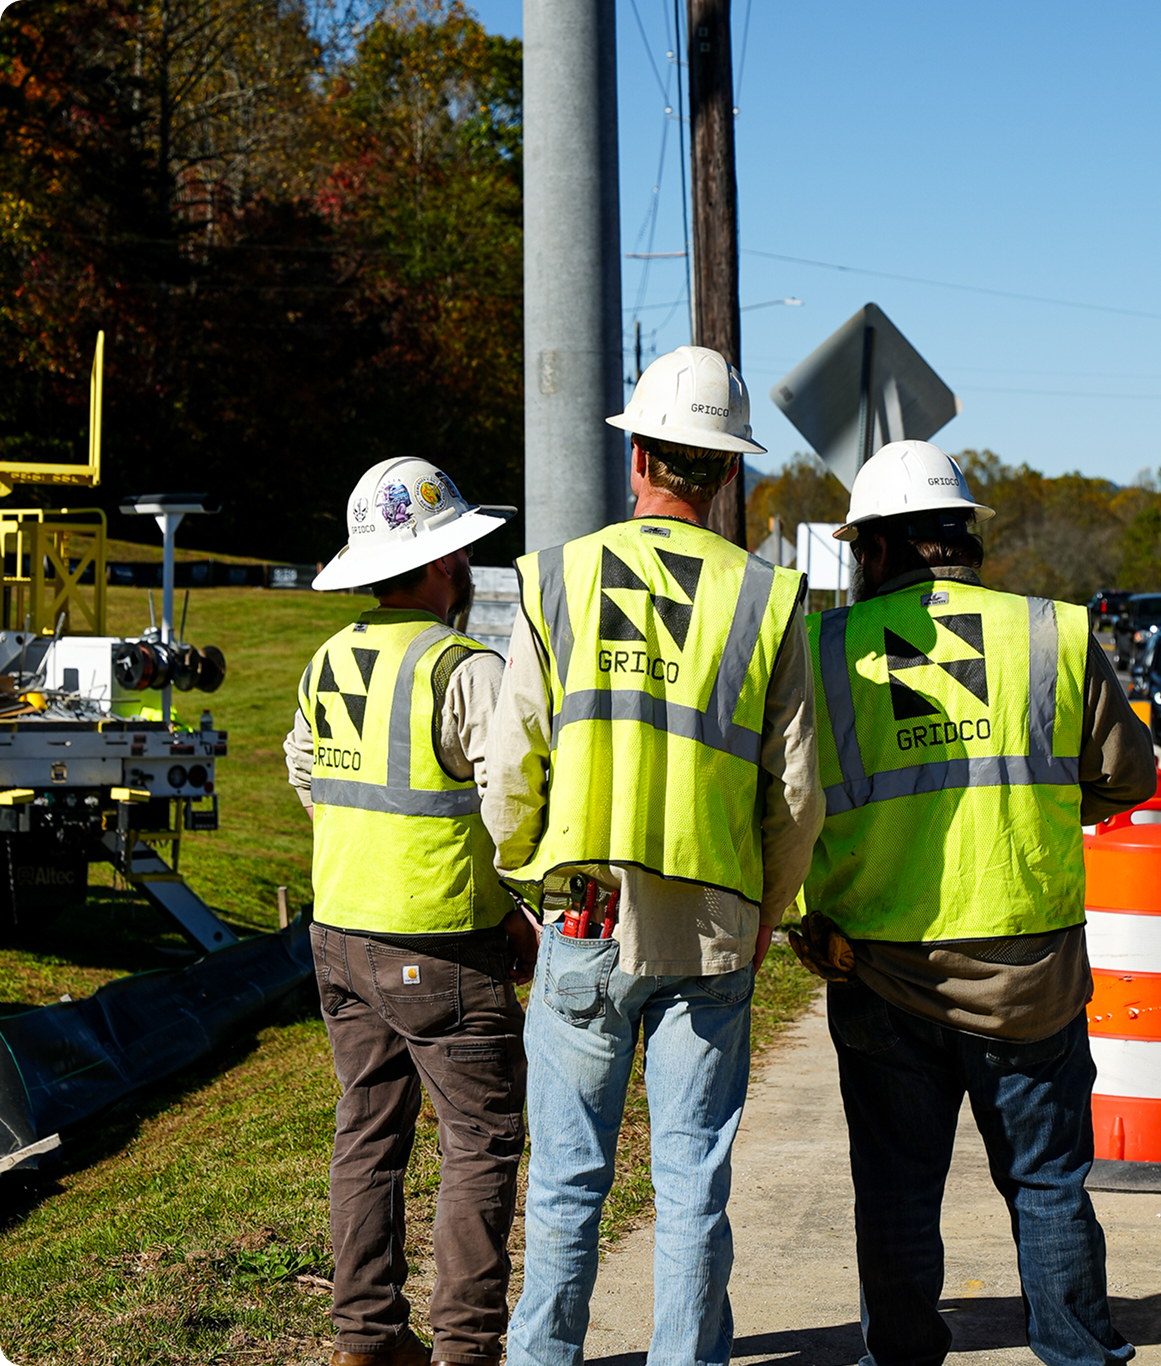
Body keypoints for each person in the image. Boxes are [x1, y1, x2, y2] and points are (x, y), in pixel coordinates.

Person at [481, 345, 825, 1366]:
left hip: (584, 917)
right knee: (690, 1185)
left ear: (638, 455)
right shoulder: (766, 598)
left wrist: (530, 879)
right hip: (713, 929)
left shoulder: (557, 579)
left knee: (566, 1185)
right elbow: (796, 794)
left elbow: (510, 769)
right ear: (726, 474)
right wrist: (769, 911)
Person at [794, 439, 1155, 1366]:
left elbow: (787, 801)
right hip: (1028, 971)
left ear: (877, 547)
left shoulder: (826, 651)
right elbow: (1128, 777)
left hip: (879, 966)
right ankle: (1077, 1353)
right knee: (1047, 1184)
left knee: (897, 1190)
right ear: (965, 538)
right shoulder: (1051, 634)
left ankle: (904, 1356)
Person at [284, 457, 539, 1366]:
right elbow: (511, 801)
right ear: (440, 563)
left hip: (339, 933)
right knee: (480, 1141)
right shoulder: (463, 668)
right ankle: (465, 1350)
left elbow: (304, 769)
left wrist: (358, 847)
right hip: (443, 945)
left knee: (367, 1131)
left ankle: (367, 1338)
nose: (466, 566)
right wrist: (520, 905)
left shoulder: (328, 658)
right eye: (460, 551)